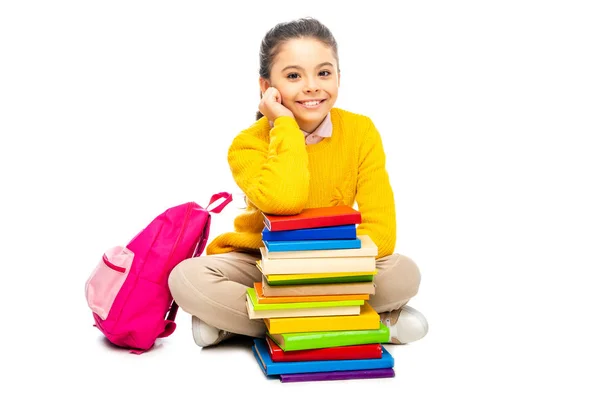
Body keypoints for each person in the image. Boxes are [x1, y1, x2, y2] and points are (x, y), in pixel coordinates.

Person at [168, 17, 428, 347]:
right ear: (266, 88)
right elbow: (284, 201)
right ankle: (362, 323)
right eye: (293, 76)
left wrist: (318, 263)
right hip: (261, 262)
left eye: (324, 72)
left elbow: (383, 235)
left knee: (404, 272)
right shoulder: (247, 144)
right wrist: (285, 126)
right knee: (187, 278)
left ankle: (241, 323)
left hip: (337, 266)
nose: (312, 86)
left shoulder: (362, 132)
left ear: (338, 77)